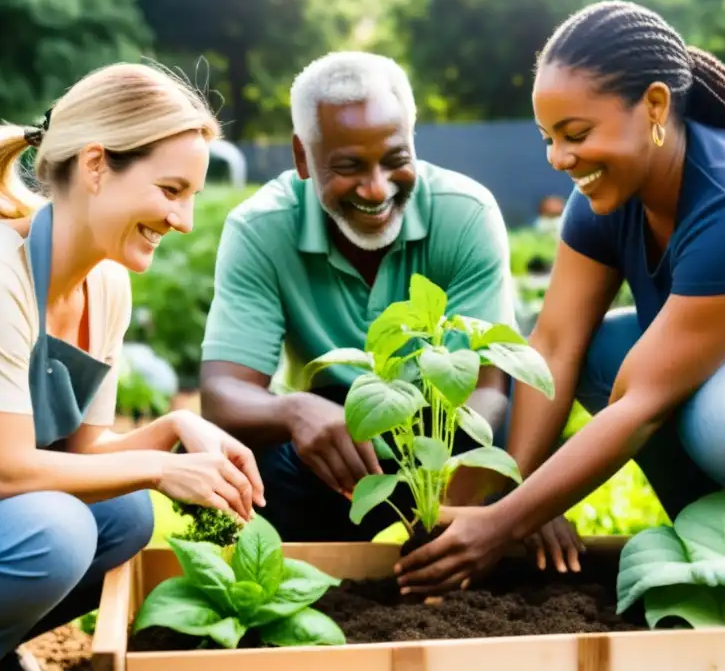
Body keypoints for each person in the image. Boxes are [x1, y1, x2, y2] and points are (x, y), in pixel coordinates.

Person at [392, 0, 725, 595]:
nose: (559, 158)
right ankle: (716, 553)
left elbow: (642, 402)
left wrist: (501, 524)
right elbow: (556, 344)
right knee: (601, 351)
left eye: (576, 133)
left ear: (653, 105)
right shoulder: (608, 195)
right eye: (549, 138)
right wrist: (519, 492)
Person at [0, 62, 265, 671]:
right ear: (96, 166)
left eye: (191, 197)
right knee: (55, 531)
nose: (184, 220)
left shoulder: (107, 284)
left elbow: (82, 454)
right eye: (171, 190)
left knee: (122, 513)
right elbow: (7, 475)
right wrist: (156, 468)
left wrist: (178, 433)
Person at [199, 51, 517, 543]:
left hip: (445, 445)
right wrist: (294, 411)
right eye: (349, 166)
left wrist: (452, 512)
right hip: (335, 450)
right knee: (213, 457)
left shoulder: (465, 213)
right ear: (303, 157)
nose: (376, 188)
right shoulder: (261, 227)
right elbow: (223, 394)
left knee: (519, 411)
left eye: (396, 160)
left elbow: (488, 387)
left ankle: (508, 531)